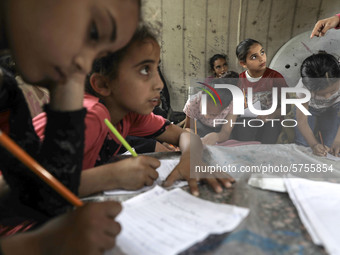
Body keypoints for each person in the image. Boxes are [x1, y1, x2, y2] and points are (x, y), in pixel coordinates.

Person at [0, 0, 140, 253]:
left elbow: (43, 196)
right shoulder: (95, 114)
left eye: (97, 55)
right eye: (93, 32)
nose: (84, 66)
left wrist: (69, 82)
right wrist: (37, 245)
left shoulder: (5, 94)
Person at [34, 25, 235, 197]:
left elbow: (183, 134)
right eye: (145, 70)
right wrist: (111, 176)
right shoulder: (88, 115)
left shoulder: (129, 114)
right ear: (103, 84)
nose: (159, 84)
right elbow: (23, 186)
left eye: (157, 68)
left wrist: (191, 156)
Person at [234, 38, 288, 144]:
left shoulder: (275, 77)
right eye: (254, 57)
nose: (262, 58)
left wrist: (271, 114)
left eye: (262, 52)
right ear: (243, 63)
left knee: (269, 133)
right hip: (248, 121)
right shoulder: (239, 80)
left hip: (271, 120)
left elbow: (287, 106)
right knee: (244, 131)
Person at [295, 53, 340, 157]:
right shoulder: (302, 89)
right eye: (321, 94)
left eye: (333, 91)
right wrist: (314, 144)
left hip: (333, 109)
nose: (327, 97)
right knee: (302, 145)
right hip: (310, 108)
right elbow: (302, 121)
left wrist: (337, 140)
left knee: (330, 148)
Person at [183, 74, 239, 145]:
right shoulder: (193, 102)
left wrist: (217, 137)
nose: (207, 116)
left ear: (225, 108)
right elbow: (187, 127)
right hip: (200, 128)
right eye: (204, 110)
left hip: (221, 131)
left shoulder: (233, 104)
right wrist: (192, 135)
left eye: (213, 114)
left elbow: (226, 132)